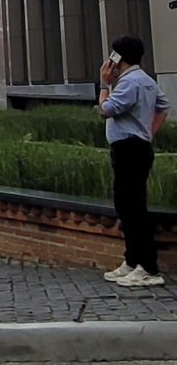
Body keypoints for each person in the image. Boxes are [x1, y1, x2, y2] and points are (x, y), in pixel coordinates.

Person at [99, 35, 170, 287]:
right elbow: (163, 106)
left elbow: (105, 109)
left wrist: (104, 84)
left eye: (113, 56)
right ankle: (132, 261)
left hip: (130, 150)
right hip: (135, 147)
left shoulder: (129, 83)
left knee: (134, 209)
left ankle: (149, 268)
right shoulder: (145, 80)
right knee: (126, 206)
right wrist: (148, 133)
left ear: (118, 58)